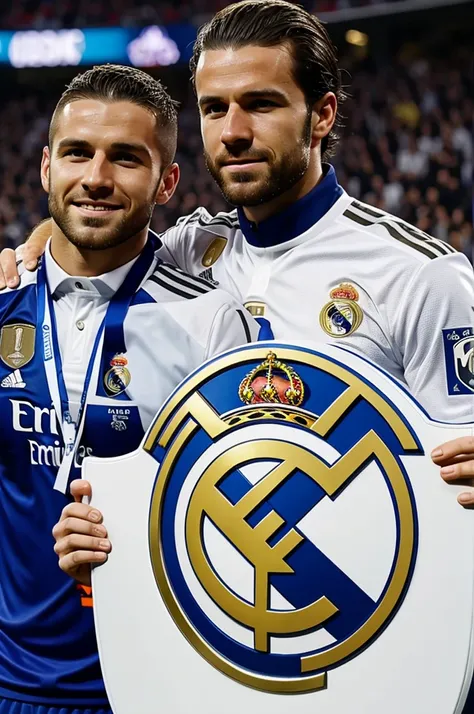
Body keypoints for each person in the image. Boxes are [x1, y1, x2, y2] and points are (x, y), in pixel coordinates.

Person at [0, 63, 258, 714]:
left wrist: (144, 540)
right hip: (12, 683)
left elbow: (246, 515)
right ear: (45, 167)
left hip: (161, 684)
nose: (95, 177)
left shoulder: (208, 322)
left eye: (125, 158)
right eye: (77, 153)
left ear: (166, 180)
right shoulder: (4, 305)